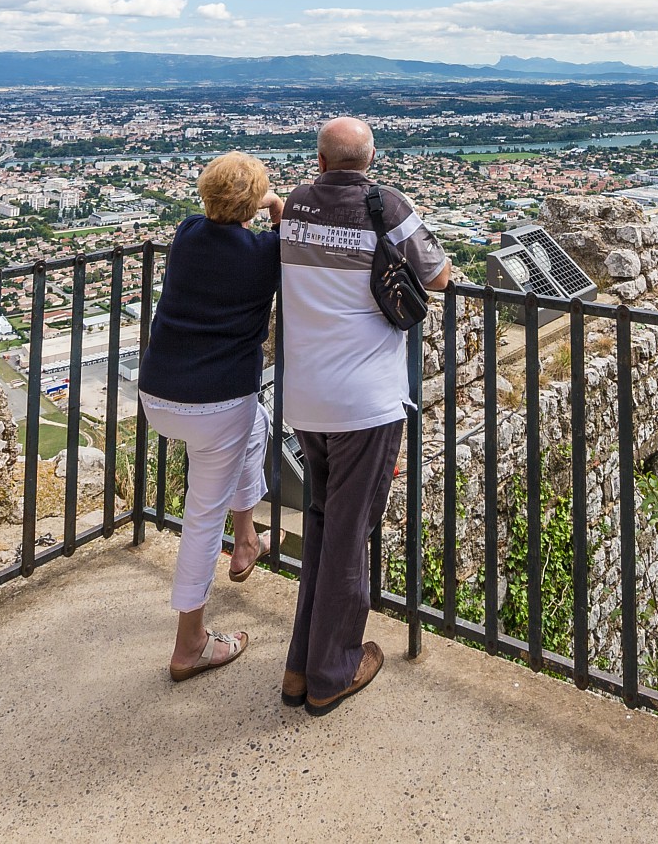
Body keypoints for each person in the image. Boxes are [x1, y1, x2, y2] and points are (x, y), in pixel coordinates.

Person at [276, 115, 451, 714]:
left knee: (324, 524)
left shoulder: (297, 205)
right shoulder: (389, 205)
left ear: (320, 162)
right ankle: (332, 670)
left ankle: (301, 667)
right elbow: (440, 275)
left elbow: (277, 218)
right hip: (365, 404)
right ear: (370, 162)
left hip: (303, 399)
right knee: (350, 535)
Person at [137, 152, 284, 681]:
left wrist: (249, 199)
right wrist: (274, 204)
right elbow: (281, 228)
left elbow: (220, 214)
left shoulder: (188, 234)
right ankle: (190, 643)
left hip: (159, 393)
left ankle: (246, 541)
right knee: (202, 521)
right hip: (217, 402)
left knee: (259, 428)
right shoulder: (266, 252)